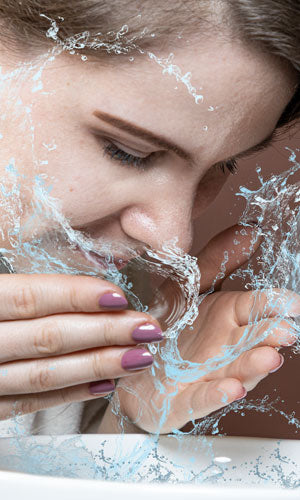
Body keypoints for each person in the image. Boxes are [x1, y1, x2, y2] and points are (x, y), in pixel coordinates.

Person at [0, 0, 298, 436]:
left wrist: (127, 422)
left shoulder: (107, 288)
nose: (173, 239)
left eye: (222, 168)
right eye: (128, 152)